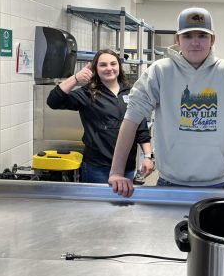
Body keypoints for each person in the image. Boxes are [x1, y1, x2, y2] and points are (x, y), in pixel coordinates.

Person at [108, 7, 224, 198]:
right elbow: (132, 117)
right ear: (177, 40)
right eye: (187, 36)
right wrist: (116, 172)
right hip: (169, 183)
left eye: (202, 35)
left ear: (212, 39)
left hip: (217, 185)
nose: (195, 42)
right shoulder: (159, 73)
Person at [47, 49, 154, 184]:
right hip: (97, 168)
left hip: (127, 166)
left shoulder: (131, 92)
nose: (109, 68)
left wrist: (148, 156)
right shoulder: (88, 93)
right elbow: (53, 101)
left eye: (113, 64)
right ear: (95, 69)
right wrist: (75, 79)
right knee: (97, 205)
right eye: (103, 65)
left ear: (119, 67)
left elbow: (141, 127)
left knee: (122, 204)